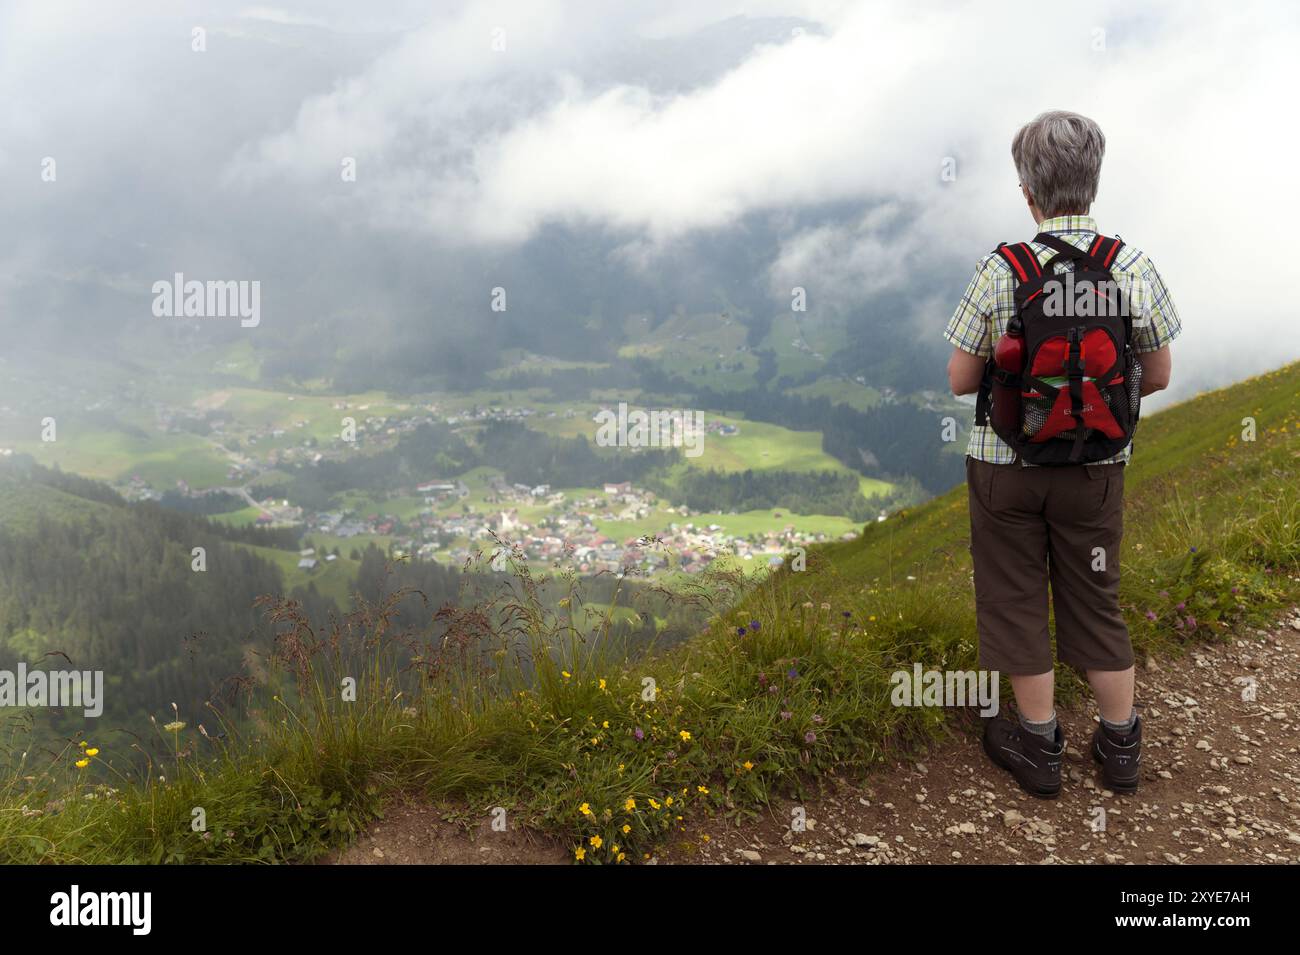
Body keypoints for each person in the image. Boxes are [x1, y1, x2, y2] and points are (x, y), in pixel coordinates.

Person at [943, 110, 1182, 798]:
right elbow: (1158, 373)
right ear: (1094, 181)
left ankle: (1040, 746)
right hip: (1096, 466)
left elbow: (962, 380)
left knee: (1016, 598)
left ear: (1027, 190)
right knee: (1097, 599)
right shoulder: (1131, 265)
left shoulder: (1002, 269)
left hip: (1005, 468)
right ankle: (1119, 744)